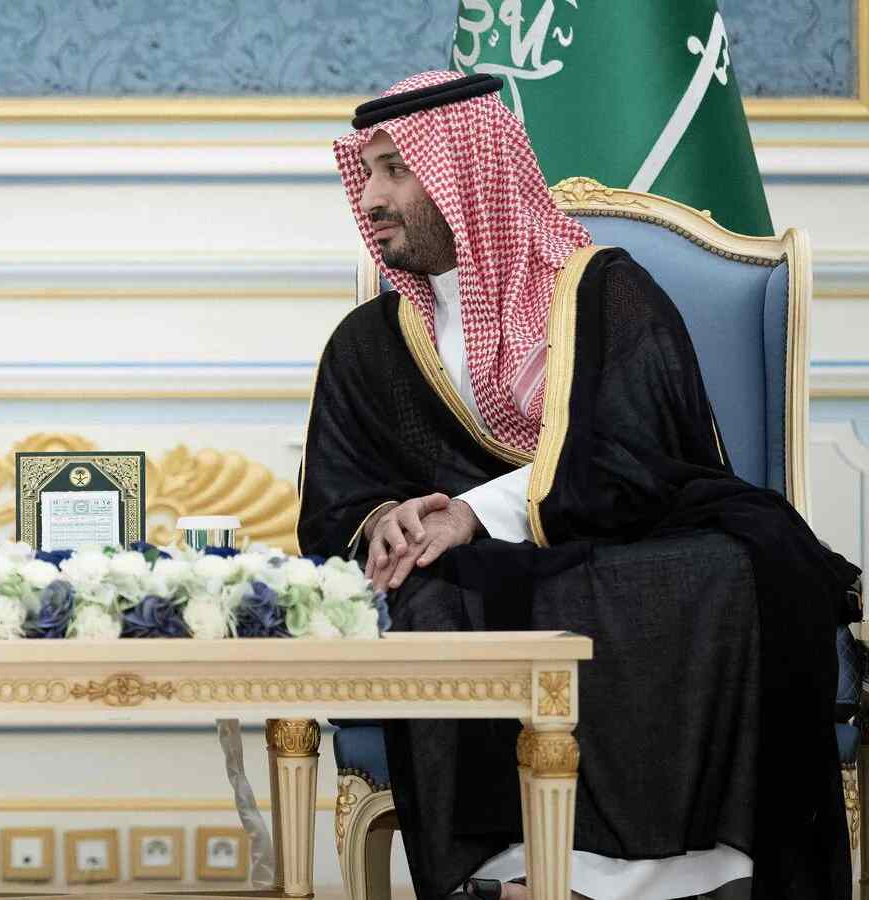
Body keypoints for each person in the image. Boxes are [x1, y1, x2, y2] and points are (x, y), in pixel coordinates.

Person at [297, 71, 859, 900]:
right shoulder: (369, 341)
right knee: (438, 597)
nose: (371, 197)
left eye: (394, 170)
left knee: (731, 568)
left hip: (624, 538)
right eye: (366, 172)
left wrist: (477, 513)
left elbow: (641, 457)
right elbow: (336, 496)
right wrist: (385, 518)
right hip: (476, 576)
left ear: (463, 173)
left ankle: (653, 872)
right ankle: (518, 870)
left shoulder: (604, 292)